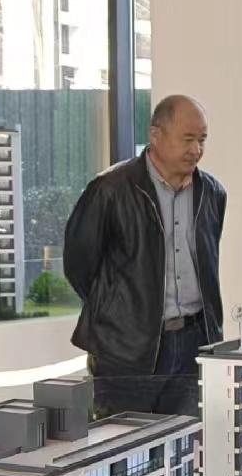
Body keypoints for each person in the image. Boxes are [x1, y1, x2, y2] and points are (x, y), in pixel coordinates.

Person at [64, 96, 226, 416]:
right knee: (127, 441)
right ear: (155, 135)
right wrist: (118, 311)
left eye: (202, 140)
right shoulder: (109, 190)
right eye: (188, 139)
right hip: (125, 350)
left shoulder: (212, 193)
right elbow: (78, 265)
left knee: (186, 440)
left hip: (194, 345)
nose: (196, 150)